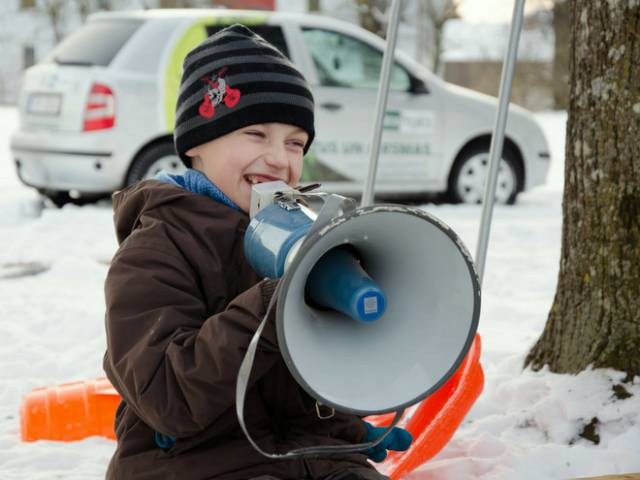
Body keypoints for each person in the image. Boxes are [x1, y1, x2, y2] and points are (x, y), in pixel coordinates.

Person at [103, 24, 410, 480]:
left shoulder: (311, 233)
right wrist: (272, 306)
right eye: (255, 134)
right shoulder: (156, 247)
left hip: (309, 458)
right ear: (195, 145)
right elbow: (168, 396)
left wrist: (346, 429)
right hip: (196, 465)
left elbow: (302, 379)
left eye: (295, 143)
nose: (278, 158)